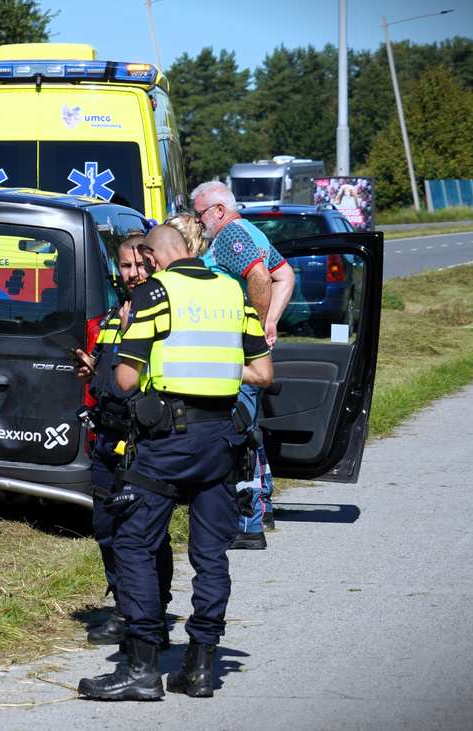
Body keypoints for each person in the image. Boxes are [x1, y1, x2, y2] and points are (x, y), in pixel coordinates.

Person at [78, 224, 273, 701]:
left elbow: (124, 379)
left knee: (135, 543)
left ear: (153, 255)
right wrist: (212, 370)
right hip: (221, 440)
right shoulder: (231, 291)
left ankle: (142, 665)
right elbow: (262, 372)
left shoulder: (155, 293)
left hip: (167, 441)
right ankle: (201, 664)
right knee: (210, 555)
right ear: (189, 249)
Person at [73, 234, 172, 647]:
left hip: (144, 442)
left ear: (152, 264)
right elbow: (112, 375)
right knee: (106, 527)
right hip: (106, 437)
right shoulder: (113, 316)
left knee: (146, 533)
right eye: (125, 267)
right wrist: (92, 373)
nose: (132, 274)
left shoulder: (164, 313)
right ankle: (123, 606)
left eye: (138, 266)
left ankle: (151, 612)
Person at [191, 181, 296, 549]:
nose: (198, 221)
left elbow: (258, 276)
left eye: (200, 213)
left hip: (236, 351)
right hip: (245, 349)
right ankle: (261, 504)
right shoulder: (251, 231)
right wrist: (269, 324)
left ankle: (246, 523)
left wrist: (253, 329)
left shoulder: (231, 236)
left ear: (218, 210)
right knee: (250, 430)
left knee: (238, 436)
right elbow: (285, 275)